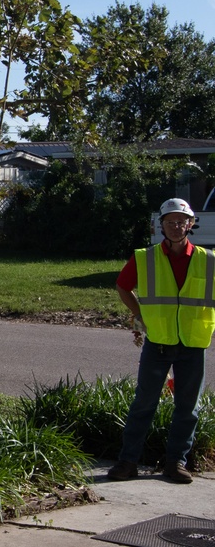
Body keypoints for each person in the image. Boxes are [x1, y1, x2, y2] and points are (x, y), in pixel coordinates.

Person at [107, 197, 213, 484]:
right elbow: (123, 286)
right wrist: (139, 315)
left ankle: (176, 463)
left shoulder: (208, 260)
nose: (176, 227)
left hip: (193, 344)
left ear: (190, 224)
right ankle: (128, 462)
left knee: (187, 408)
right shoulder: (145, 257)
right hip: (159, 342)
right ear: (160, 226)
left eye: (181, 221)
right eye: (170, 222)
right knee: (144, 403)